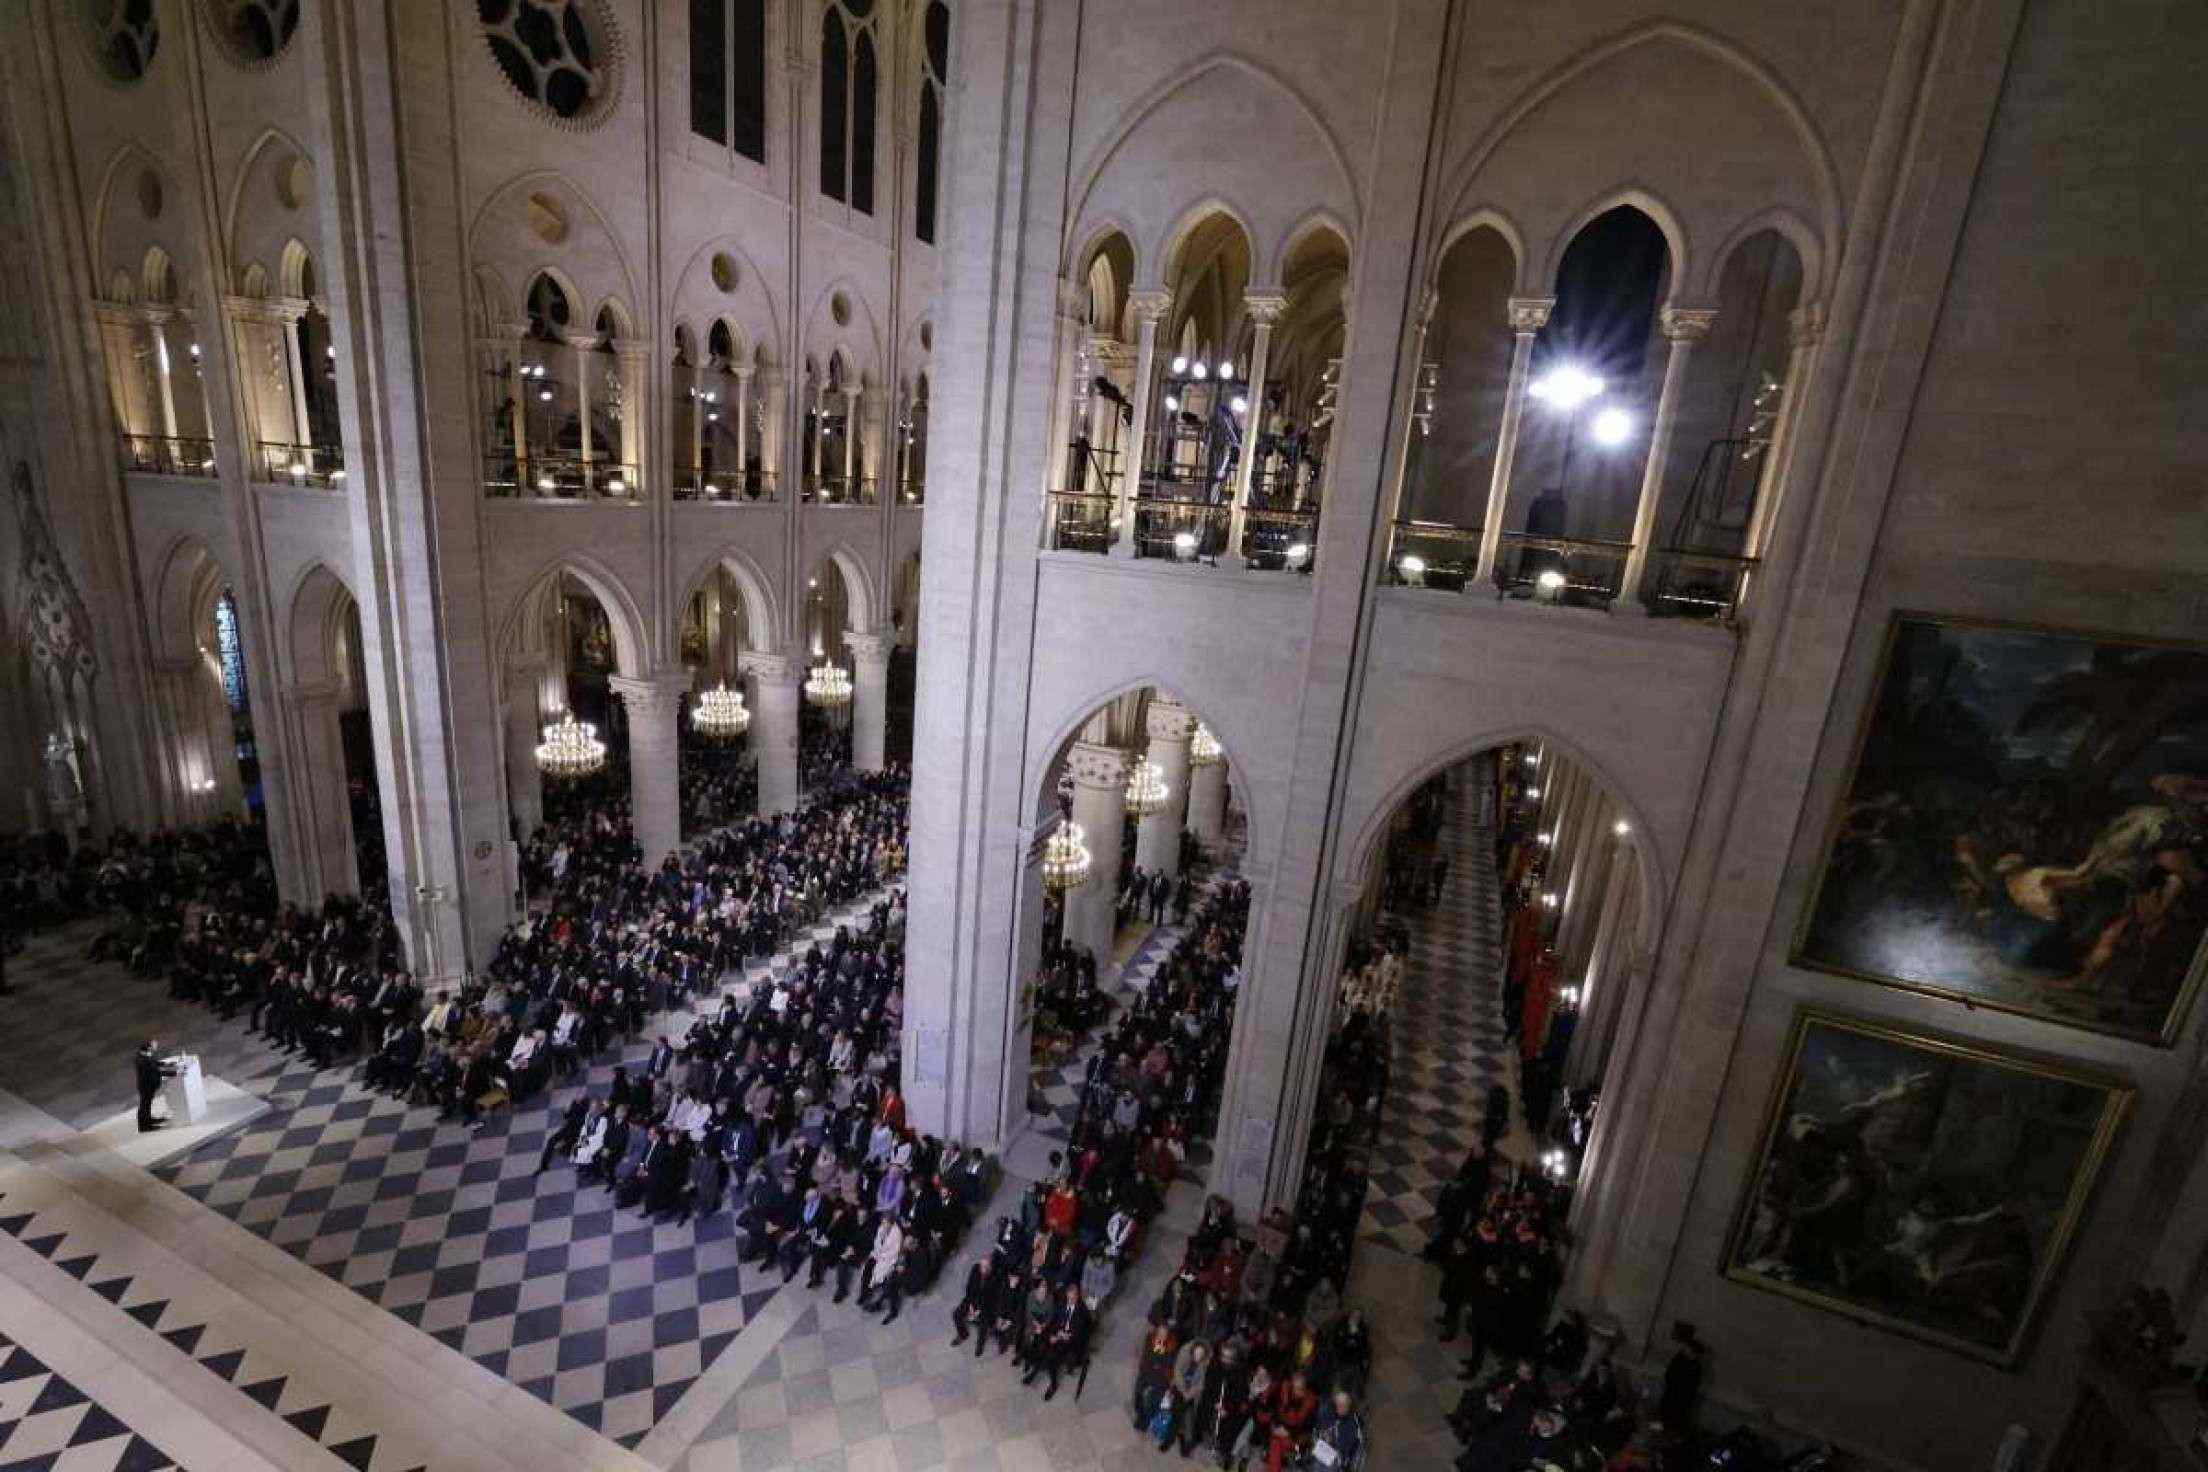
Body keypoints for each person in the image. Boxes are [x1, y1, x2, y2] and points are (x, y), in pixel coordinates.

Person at [134, 1039, 173, 1132]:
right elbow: (156, 1071)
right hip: (146, 1086)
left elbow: (155, 1062)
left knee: (147, 1105)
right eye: (154, 1045)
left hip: (148, 1085)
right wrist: (174, 1072)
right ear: (149, 1047)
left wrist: (167, 1063)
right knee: (145, 1105)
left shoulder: (144, 1055)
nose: (155, 1047)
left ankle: (148, 1119)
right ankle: (145, 1127)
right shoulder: (143, 1060)